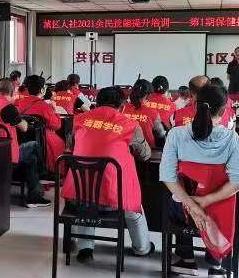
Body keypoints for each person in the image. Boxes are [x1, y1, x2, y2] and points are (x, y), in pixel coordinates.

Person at [159, 84, 239, 278]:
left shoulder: (176, 135)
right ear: (223, 111)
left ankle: (187, 259)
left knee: (176, 196)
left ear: (195, 105)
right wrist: (205, 201)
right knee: (227, 197)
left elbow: (168, 177)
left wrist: (193, 205)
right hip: (218, 213)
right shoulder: (232, 139)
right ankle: (216, 264)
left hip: (183, 211)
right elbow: (238, 182)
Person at [65, 86, 153, 262]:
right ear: (122, 106)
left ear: (97, 103)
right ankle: (142, 248)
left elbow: (71, 146)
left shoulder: (80, 120)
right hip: (115, 201)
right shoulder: (130, 125)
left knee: (87, 194)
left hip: (78, 196)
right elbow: (145, 155)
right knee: (134, 208)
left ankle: (85, 248)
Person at [0, 79, 49, 208]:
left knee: (32, 158)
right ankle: (40, 184)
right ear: (13, 92)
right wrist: (23, 120)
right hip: (6, 154)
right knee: (34, 145)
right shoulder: (8, 107)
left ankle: (35, 194)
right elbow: (24, 127)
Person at [15, 75, 65, 174]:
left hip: (22, 136)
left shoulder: (20, 103)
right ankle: (54, 172)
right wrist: (54, 109)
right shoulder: (44, 106)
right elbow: (56, 125)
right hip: (42, 137)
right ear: (42, 90)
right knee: (60, 143)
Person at [122, 79, 166, 148]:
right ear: (148, 95)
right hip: (147, 150)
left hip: (124, 148)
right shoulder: (153, 112)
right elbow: (161, 134)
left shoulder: (122, 109)